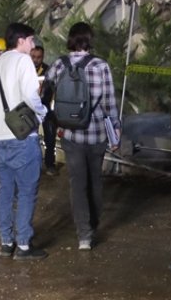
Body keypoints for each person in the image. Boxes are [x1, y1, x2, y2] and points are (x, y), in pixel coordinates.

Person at [45, 23, 121, 251]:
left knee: (77, 183)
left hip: (70, 134)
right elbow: (109, 105)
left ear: (70, 40)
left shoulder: (59, 64)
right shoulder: (101, 66)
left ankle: (84, 235)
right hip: (97, 134)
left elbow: (46, 90)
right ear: (89, 39)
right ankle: (94, 224)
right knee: (95, 181)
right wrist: (114, 135)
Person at [0, 22, 48, 260]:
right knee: (27, 191)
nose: (32, 45)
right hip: (22, 136)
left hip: (0, 137)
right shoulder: (23, 62)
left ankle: (6, 242)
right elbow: (31, 96)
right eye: (30, 40)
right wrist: (43, 113)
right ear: (21, 40)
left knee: (5, 190)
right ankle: (23, 245)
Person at [30, 44, 56, 175]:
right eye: (33, 56)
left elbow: (53, 88)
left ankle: (50, 164)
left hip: (46, 107)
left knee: (50, 136)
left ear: (43, 57)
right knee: (29, 137)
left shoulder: (48, 70)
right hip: (29, 108)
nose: (36, 60)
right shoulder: (26, 69)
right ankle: (31, 164)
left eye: (39, 57)